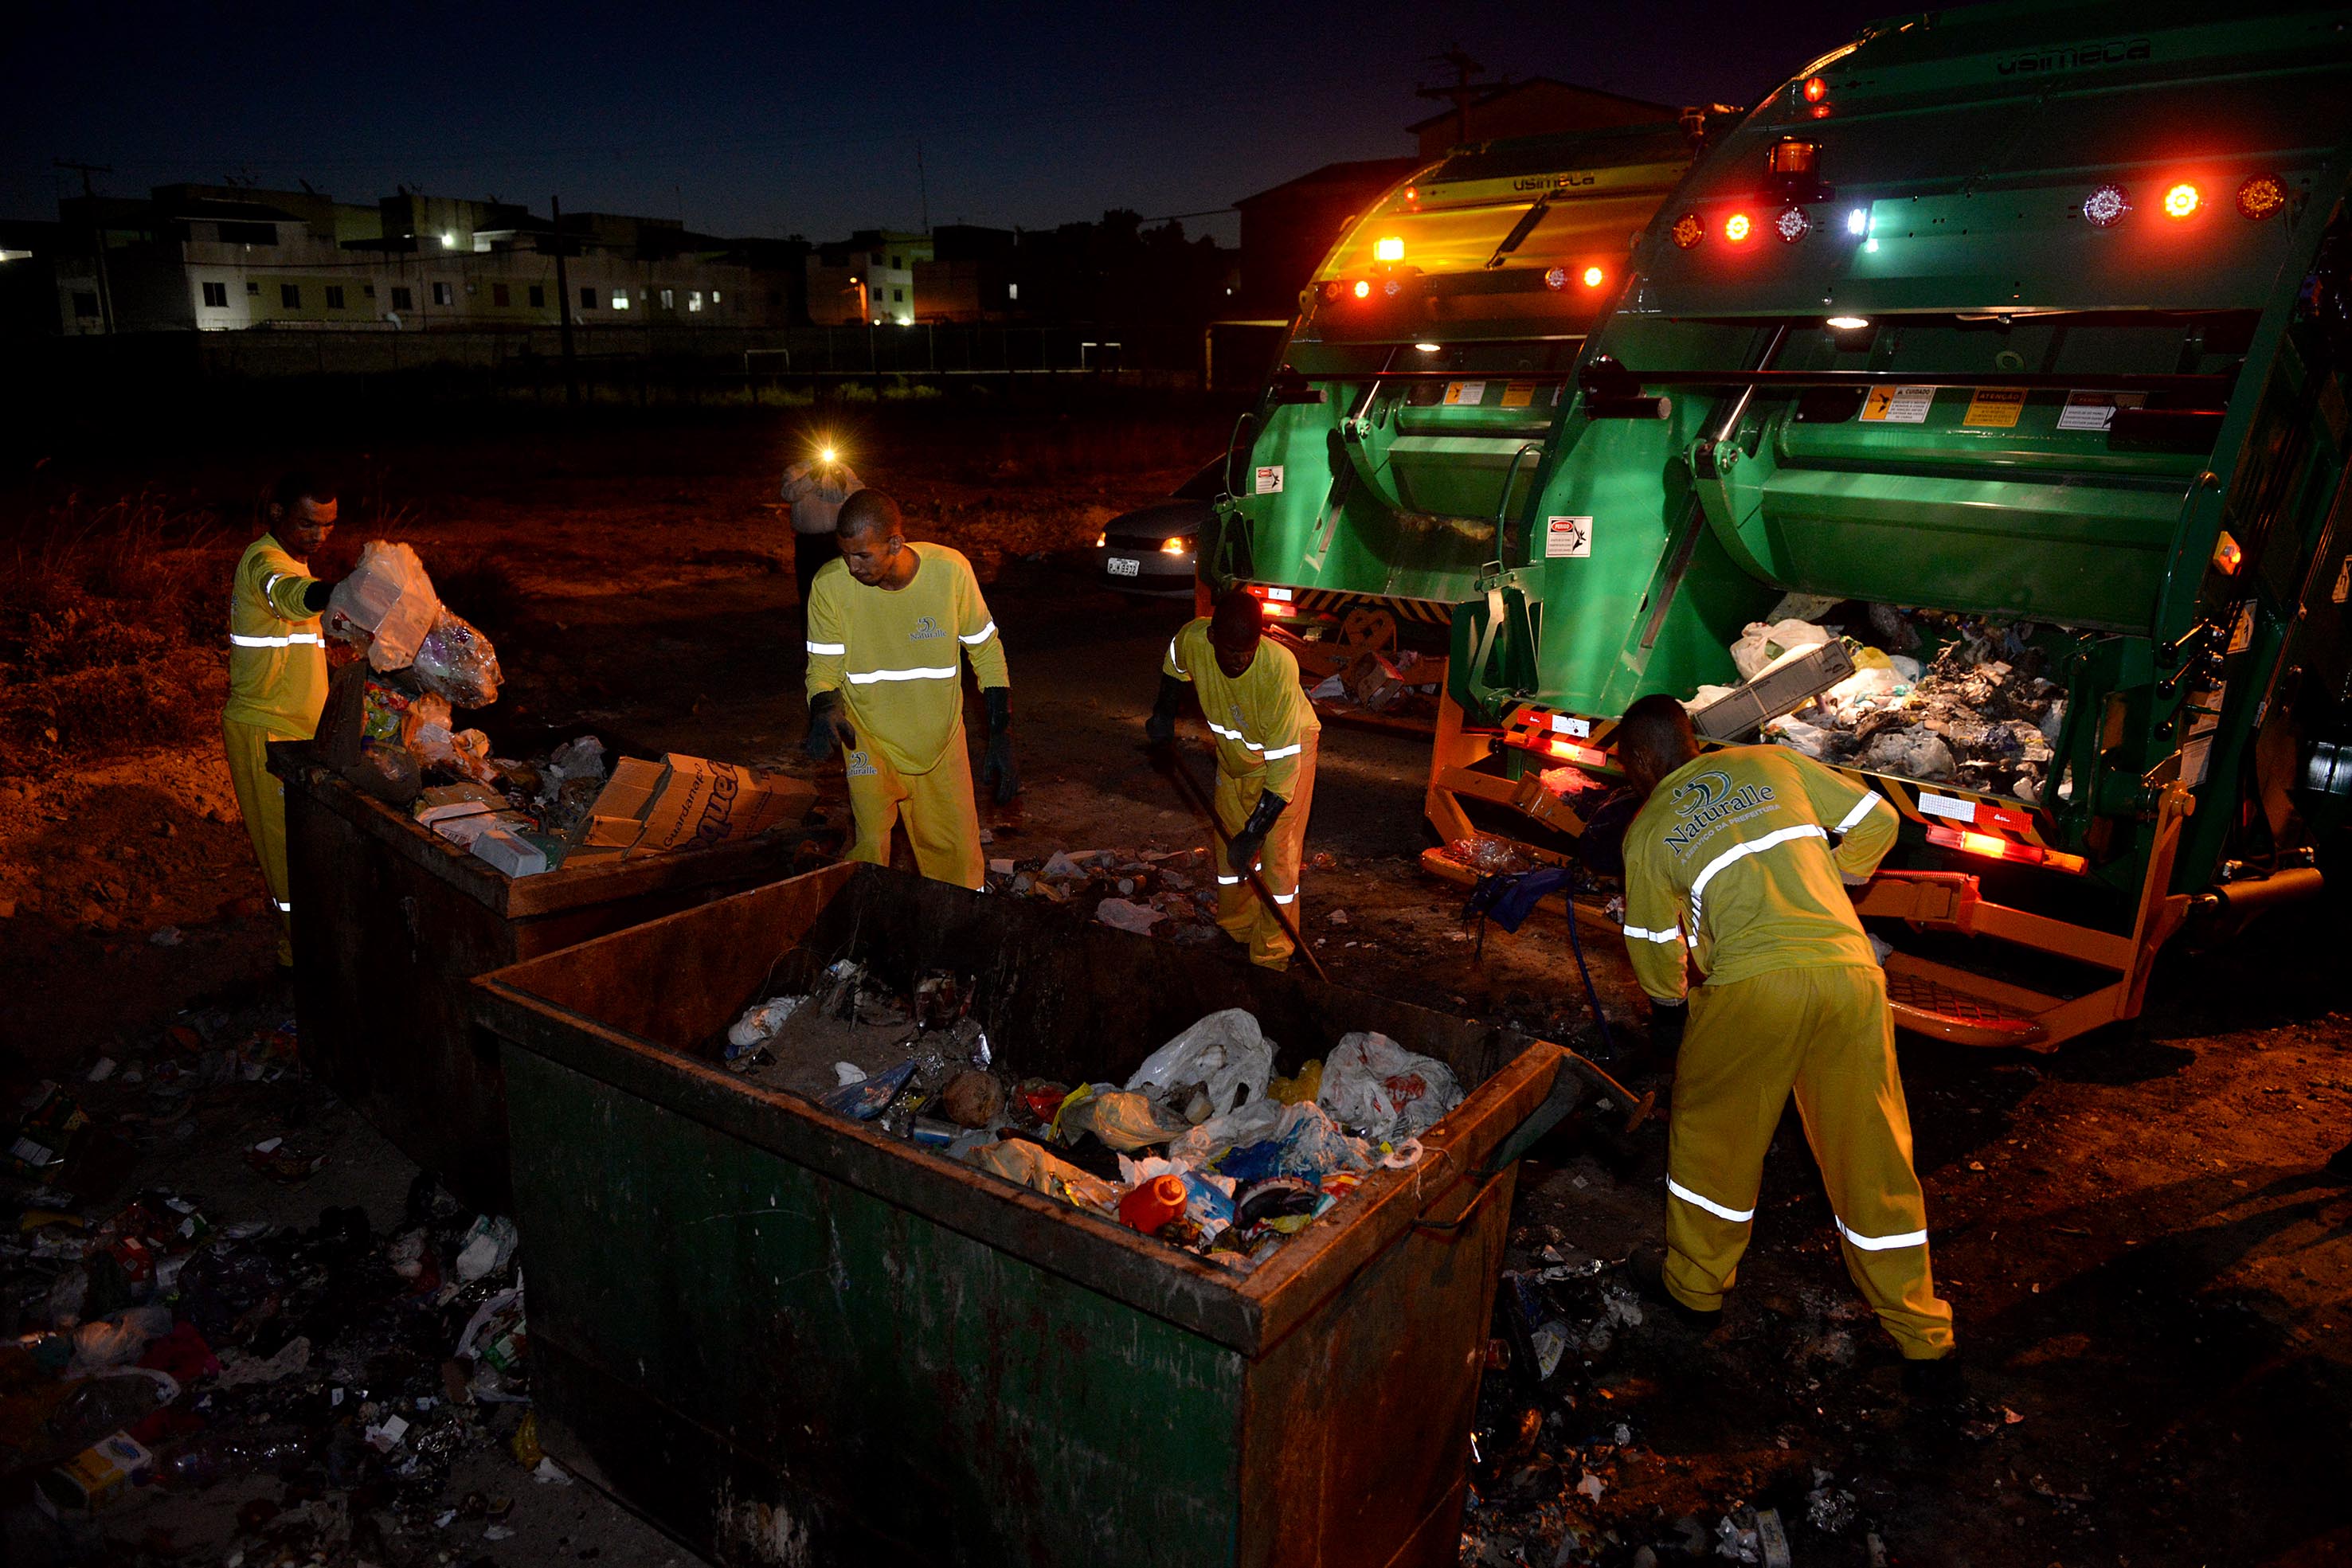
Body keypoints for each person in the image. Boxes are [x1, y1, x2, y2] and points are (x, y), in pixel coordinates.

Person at [1611, 693, 1956, 1386]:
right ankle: (1919, 1328)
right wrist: (1840, 876)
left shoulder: (1649, 828)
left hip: (1750, 988)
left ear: (1645, 758)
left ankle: (1695, 1288)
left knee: (1715, 1139)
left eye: (1626, 766)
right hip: (1848, 975)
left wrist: (1668, 1009)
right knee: (1872, 1149)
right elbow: (1877, 819)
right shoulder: (1772, 764)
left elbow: (1650, 941)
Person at [802, 490, 1013, 890]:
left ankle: (955, 933)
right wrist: (825, 706)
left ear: (895, 543)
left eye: (862, 555)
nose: (851, 566)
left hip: (940, 741)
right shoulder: (830, 586)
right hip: (867, 737)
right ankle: (861, 936)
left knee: (957, 861)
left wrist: (1001, 732)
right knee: (870, 849)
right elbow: (823, 666)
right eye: (845, 554)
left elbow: (985, 650)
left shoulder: (950, 572)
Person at [1147, 590, 1321, 968]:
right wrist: (1164, 712)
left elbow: (1282, 769)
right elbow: (1175, 661)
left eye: (1249, 649)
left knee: (1275, 857)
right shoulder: (1194, 639)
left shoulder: (1277, 669)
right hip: (1235, 756)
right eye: (1232, 650)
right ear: (1212, 639)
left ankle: (1272, 954)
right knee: (1229, 844)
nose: (1242, 659)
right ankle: (1236, 927)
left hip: (1288, 755)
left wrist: (1255, 831)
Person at [223, 472, 340, 968]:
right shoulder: (265, 562)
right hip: (265, 732)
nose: (319, 535)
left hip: (295, 730)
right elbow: (289, 595)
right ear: (276, 514)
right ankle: (304, 962)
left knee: (307, 852)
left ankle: (313, 950)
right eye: (308, 523)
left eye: (329, 525)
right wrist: (341, 593)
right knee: (288, 859)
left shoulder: (294, 562)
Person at [781, 447, 861, 611]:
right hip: (809, 542)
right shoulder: (796, 471)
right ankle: (810, 631)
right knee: (809, 588)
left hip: (836, 540)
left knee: (840, 585)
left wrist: (842, 482)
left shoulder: (842, 470)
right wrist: (811, 477)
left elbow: (859, 493)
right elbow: (788, 494)